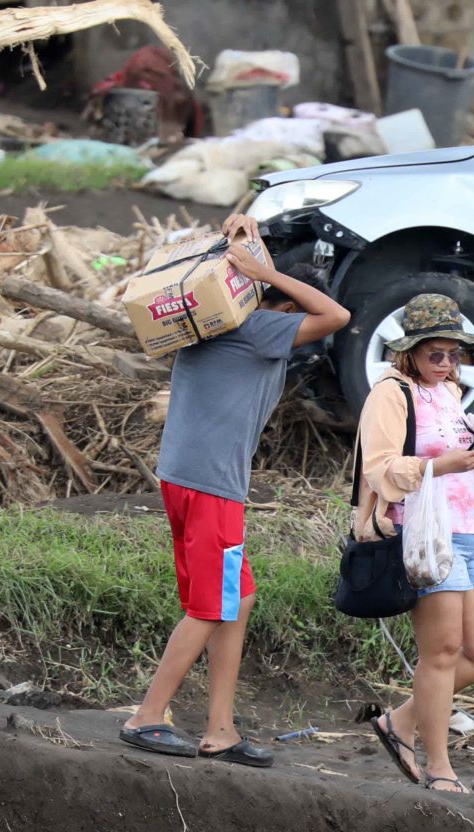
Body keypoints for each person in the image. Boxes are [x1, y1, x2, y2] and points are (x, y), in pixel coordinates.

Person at [121, 216, 349, 767]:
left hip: (183, 478)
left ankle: (221, 729)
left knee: (236, 599)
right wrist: (264, 270)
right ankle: (147, 717)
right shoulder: (260, 330)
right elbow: (337, 315)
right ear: (285, 305)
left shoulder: (208, 325)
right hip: (213, 486)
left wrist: (243, 240)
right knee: (212, 605)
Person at [352, 294, 474, 792]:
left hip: (470, 532)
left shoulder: (446, 391)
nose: (448, 364)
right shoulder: (390, 392)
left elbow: (454, 435)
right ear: (410, 352)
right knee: (442, 650)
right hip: (426, 534)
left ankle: (399, 721)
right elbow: (379, 468)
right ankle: (440, 767)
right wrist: (436, 467)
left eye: (456, 354)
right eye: (436, 354)